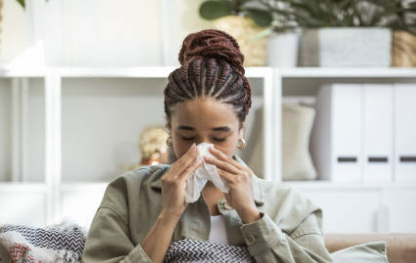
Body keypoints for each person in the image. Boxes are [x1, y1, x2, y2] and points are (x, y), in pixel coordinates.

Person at [82, 29, 333, 263]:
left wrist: (251, 215)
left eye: (219, 137)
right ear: (170, 129)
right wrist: (167, 216)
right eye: (187, 136)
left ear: (240, 130)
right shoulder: (128, 194)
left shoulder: (290, 206)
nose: (203, 150)